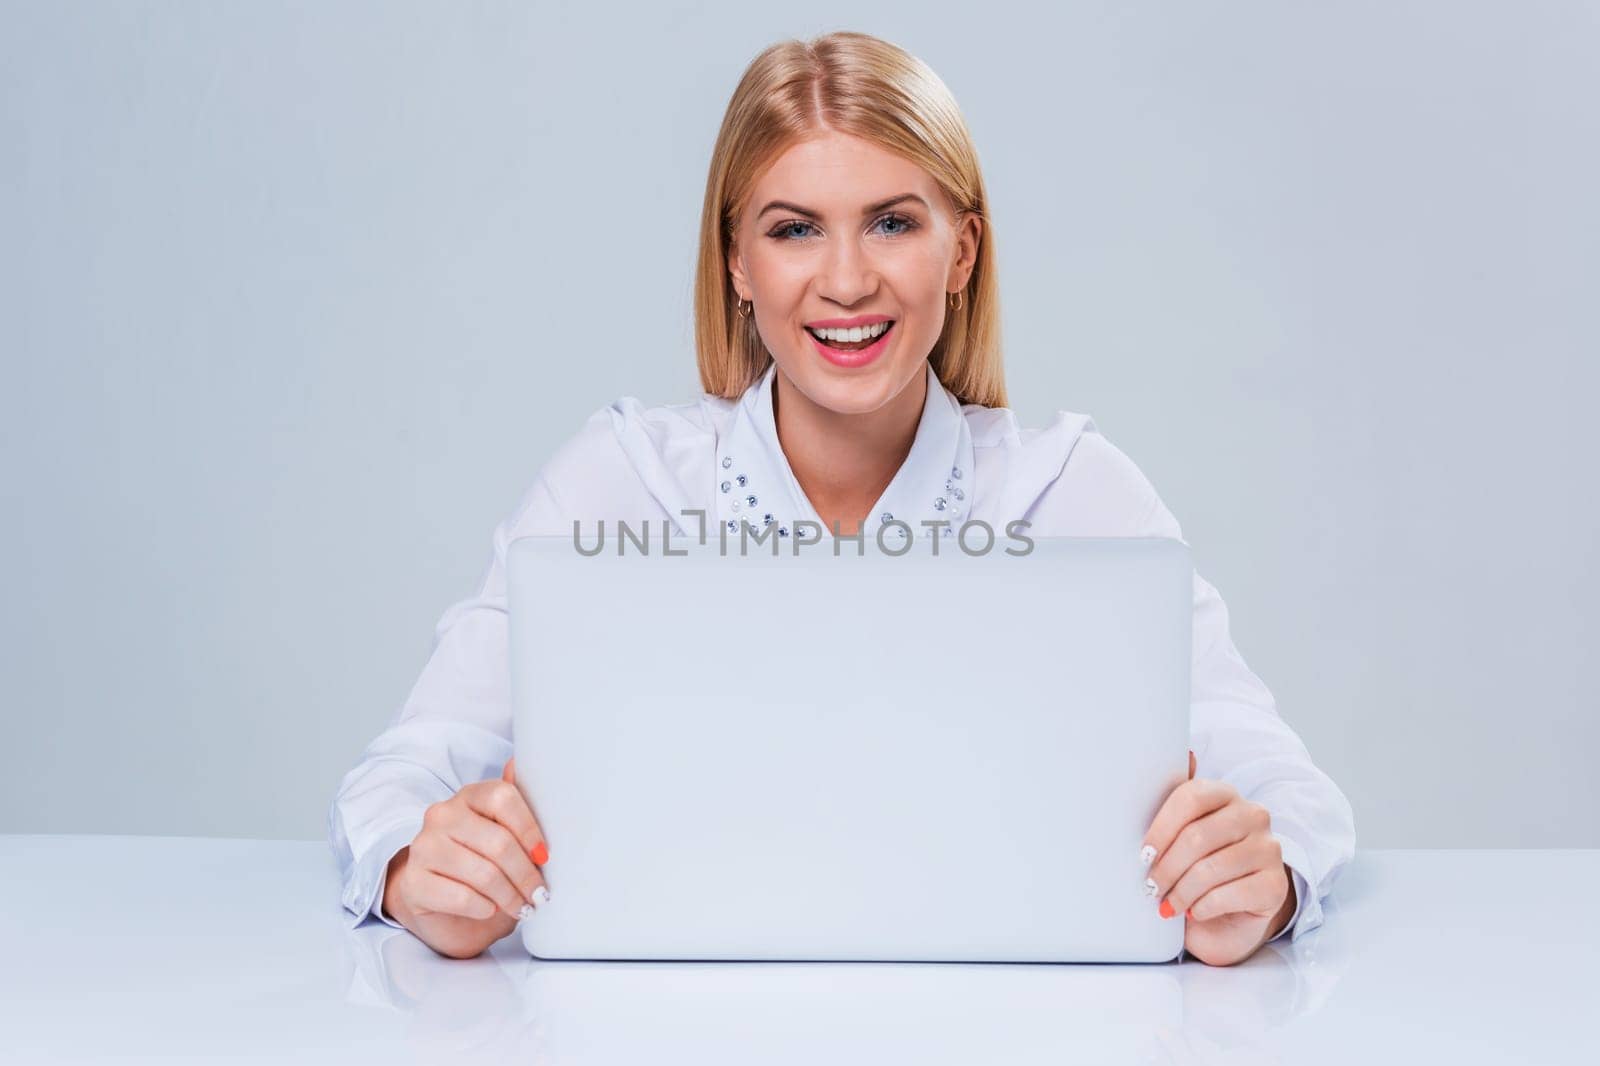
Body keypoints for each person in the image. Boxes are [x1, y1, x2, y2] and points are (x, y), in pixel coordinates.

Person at [328, 30, 1355, 964]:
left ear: (961, 251)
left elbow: (1288, 788)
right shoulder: (621, 483)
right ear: (735, 259)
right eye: (794, 231)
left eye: (892, 222)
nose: (847, 279)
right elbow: (401, 770)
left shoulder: (1070, 495)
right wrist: (417, 870)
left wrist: (1260, 880)